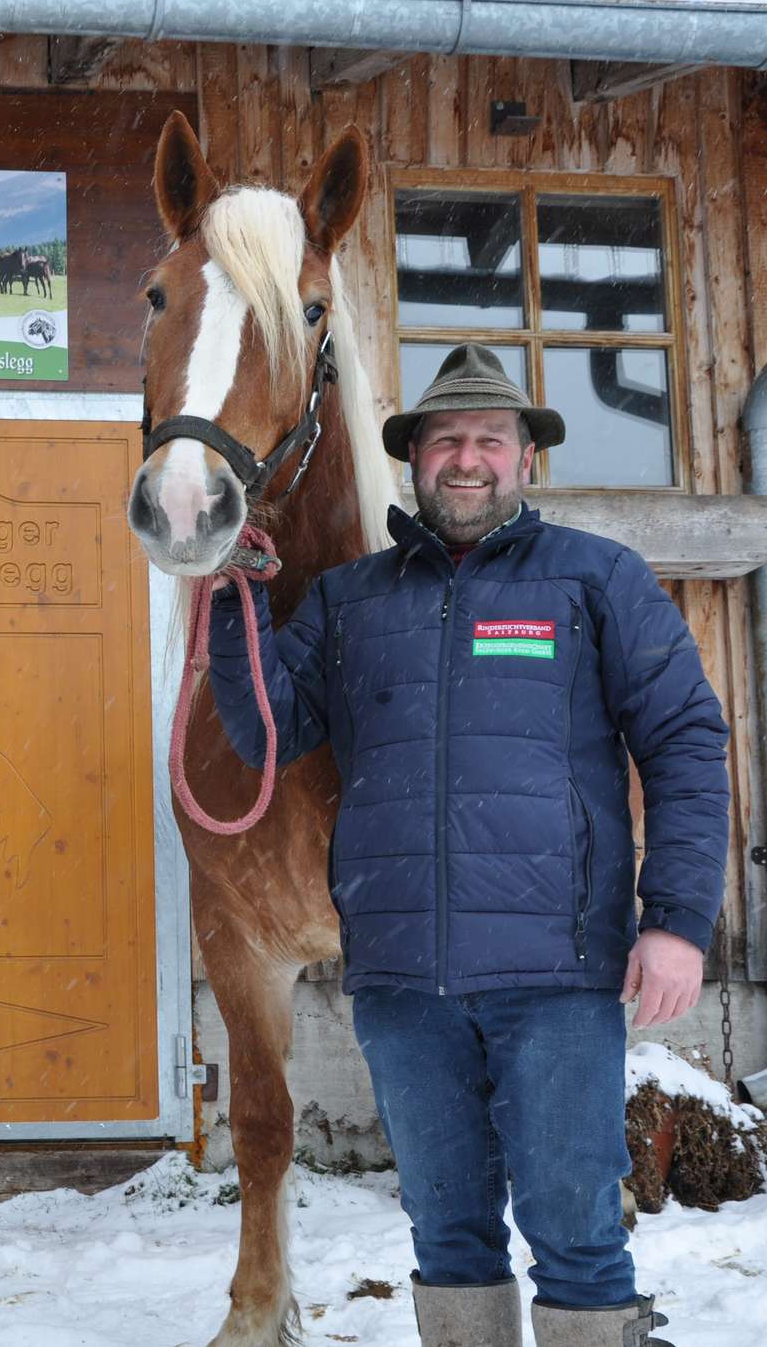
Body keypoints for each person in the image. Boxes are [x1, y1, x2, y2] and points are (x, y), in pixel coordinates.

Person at [204, 343, 728, 1347]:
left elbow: (687, 744)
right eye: (446, 440)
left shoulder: (596, 580)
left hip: (557, 980)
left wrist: (678, 922)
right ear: (417, 459)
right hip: (404, 985)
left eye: (491, 439)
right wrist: (235, 604)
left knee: (575, 1229)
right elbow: (266, 726)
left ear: (526, 458)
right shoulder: (352, 601)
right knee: (447, 1235)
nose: (467, 459)